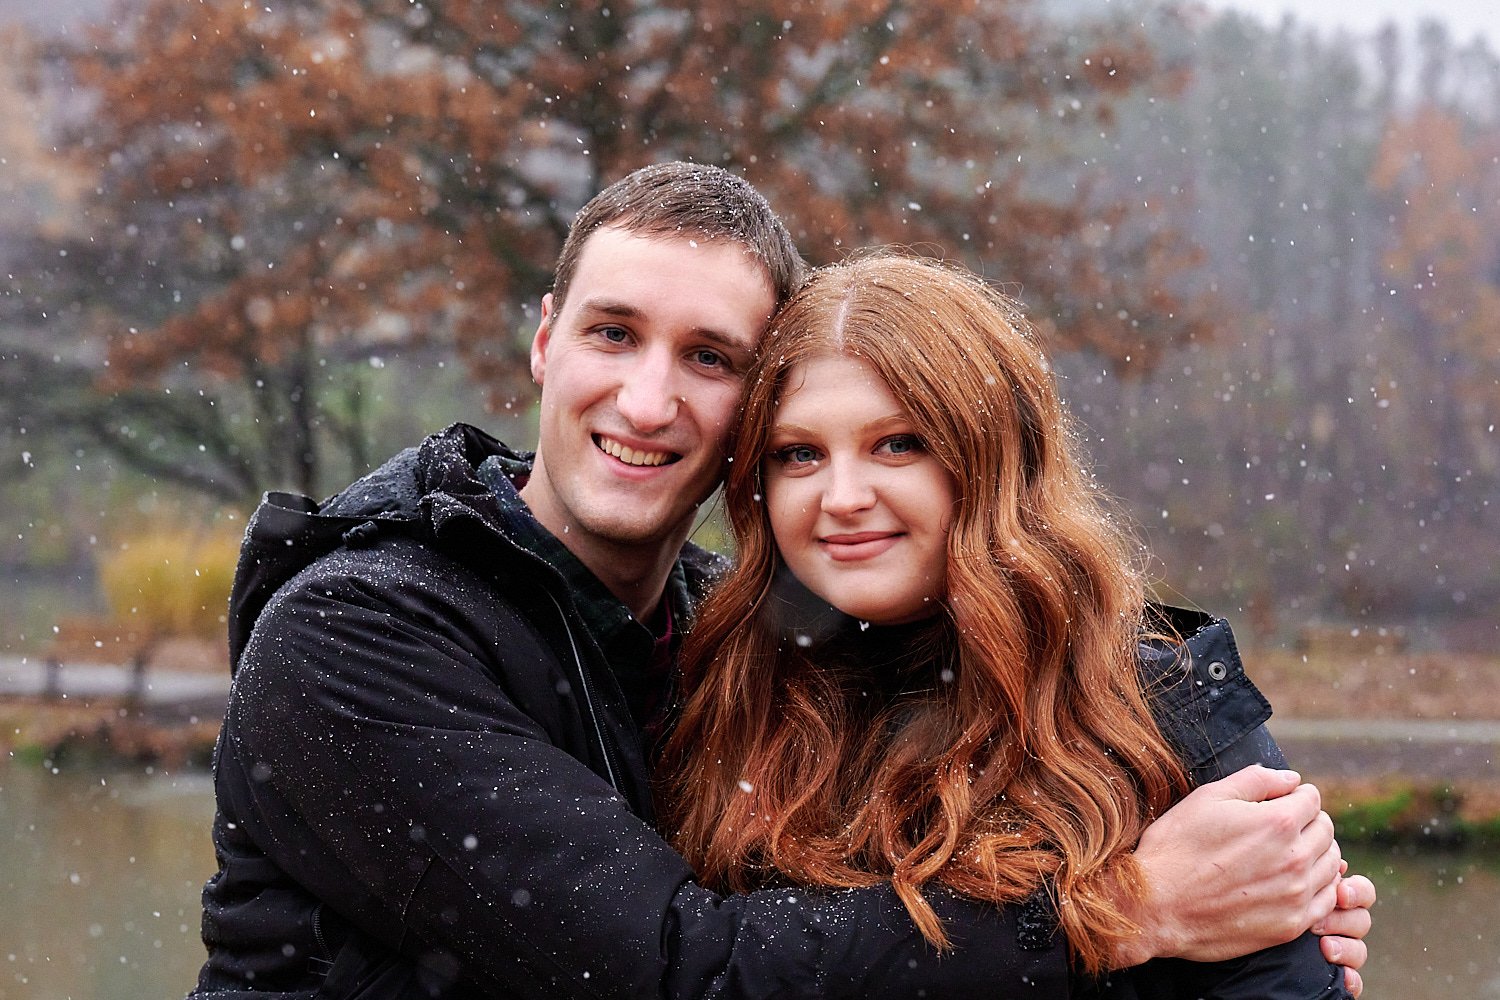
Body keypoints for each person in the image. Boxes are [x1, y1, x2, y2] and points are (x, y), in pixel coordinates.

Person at [192, 162, 1371, 1000]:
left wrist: (1255, 905)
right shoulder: (356, 636)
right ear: (544, 340)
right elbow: (679, 967)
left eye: (708, 358)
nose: (649, 401)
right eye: (613, 333)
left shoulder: (744, 637)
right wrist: (1124, 914)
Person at [661, 250, 1373, 997]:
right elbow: (686, 967)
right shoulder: (719, 686)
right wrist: (1116, 915)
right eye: (799, 453)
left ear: (992, 459)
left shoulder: (1152, 707)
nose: (842, 495)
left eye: (897, 444)